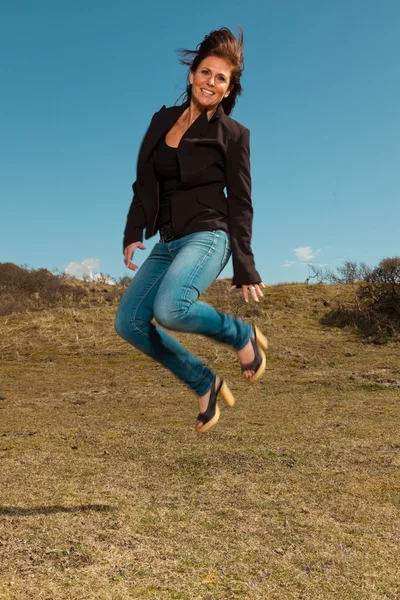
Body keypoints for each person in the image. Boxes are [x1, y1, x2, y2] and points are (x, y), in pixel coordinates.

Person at [115, 27, 268, 433]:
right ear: (192, 75)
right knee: (128, 323)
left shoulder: (233, 136)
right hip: (167, 241)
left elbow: (241, 200)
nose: (211, 82)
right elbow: (144, 181)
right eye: (206, 72)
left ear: (228, 88)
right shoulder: (162, 119)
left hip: (209, 234)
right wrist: (134, 232)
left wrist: (245, 265)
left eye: (221, 78)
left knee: (171, 307)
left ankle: (241, 334)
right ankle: (204, 382)